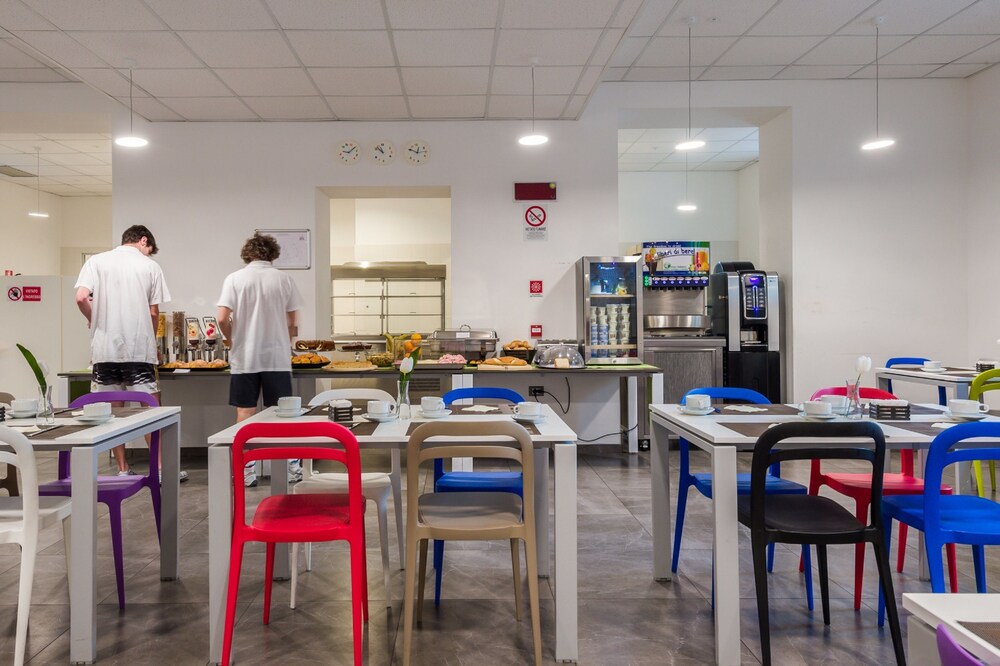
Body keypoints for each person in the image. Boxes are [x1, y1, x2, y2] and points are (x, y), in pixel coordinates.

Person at [75, 224, 187, 482]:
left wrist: (94, 319)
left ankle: (123, 469)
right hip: (138, 349)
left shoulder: (96, 261)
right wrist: (153, 344)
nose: (148, 254)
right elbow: (153, 313)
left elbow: (81, 297)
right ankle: (160, 469)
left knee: (112, 412)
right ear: (143, 240)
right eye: (149, 249)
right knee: (151, 409)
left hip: (104, 351)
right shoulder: (150, 266)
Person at [217, 232, 305, 487]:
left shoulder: (234, 279)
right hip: (277, 357)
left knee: (245, 412)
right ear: (273, 254)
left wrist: (231, 339)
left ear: (247, 254)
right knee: (283, 413)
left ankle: (246, 471)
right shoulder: (284, 279)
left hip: (245, 357)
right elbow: (293, 322)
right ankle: (289, 468)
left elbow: (222, 318)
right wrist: (286, 342)